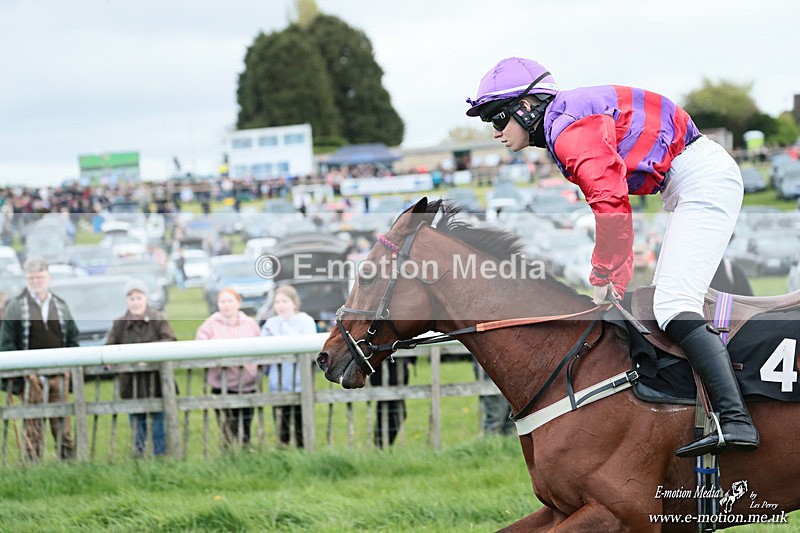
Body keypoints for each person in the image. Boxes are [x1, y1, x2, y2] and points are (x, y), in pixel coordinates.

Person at [465, 57, 758, 457]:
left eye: (497, 120)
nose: (496, 133)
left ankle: (735, 419)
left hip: (701, 180)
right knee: (663, 302)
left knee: (673, 304)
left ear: (527, 107)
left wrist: (607, 277)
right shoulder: (563, 121)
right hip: (691, 178)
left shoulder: (569, 130)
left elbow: (611, 203)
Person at [0, 257, 77, 461]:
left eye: (39, 277)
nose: (36, 281)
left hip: (59, 375)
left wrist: (69, 368)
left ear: (48, 277)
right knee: (33, 425)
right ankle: (33, 465)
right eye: (31, 278)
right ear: (26, 279)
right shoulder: (15, 307)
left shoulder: (61, 306)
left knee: (63, 423)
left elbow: (72, 338)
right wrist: (22, 374)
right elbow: (7, 343)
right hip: (30, 377)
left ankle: (69, 464)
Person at [105, 279, 177, 457]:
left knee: (159, 423)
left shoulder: (158, 319)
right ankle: (139, 457)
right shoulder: (119, 324)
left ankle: (160, 457)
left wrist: (149, 355)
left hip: (158, 382)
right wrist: (116, 359)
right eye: (131, 298)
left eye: (139, 297)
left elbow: (171, 341)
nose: (135, 302)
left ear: (146, 298)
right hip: (132, 384)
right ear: (127, 301)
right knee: (137, 425)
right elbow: (109, 347)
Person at [195, 289, 261, 448]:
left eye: (230, 301)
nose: (226, 305)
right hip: (221, 384)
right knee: (226, 425)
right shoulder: (210, 324)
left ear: (238, 303)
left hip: (246, 384)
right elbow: (199, 346)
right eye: (222, 301)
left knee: (245, 424)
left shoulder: (250, 324)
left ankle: (245, 450)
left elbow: (260, 346)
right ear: (218, 304)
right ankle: (228, 452)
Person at [260, 285, 317, 448]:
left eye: (284, 301)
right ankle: (282, 448)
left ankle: (303, 447)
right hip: (277, 381)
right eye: (277, 302)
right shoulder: (271, 323)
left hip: (300, 380)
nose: (280, 305)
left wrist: (282, 332)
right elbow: (263, 345)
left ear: (294, 303)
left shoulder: (305, 321)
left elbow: (307, 344)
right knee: (281, 418)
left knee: (300, 418)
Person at [369, 357, 416, 448]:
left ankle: (383, 444)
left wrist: (410, 360)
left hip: (398, 367)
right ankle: (381, 444)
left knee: (396, 412)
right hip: (384, 370)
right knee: (387, 411)